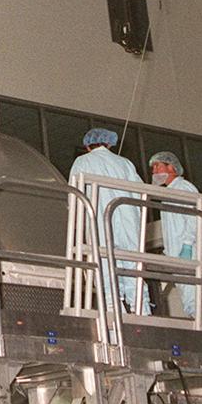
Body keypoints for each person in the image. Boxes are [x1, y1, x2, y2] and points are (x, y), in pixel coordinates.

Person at [70, 128, 150, 315]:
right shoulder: (125, 163)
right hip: (129, 222)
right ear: (109, 143)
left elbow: (74, 194)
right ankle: (142, 309)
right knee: (132, 265)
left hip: (99, 222)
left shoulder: (82, 161)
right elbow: (140, 193)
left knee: (105, 265)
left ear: (88, 146)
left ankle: (114, 309)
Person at [150, 150, 201, 318]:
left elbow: (195, 218)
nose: (154, 172)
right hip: (179, 256)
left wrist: (187, 245)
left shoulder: (183, 187)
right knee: (190, 301)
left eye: (157, 166)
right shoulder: (169, 193)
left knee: (196, 301)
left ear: (171, 167)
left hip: (190, 254)